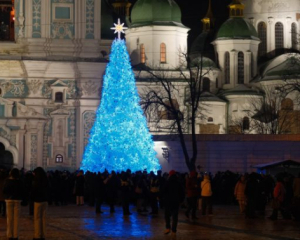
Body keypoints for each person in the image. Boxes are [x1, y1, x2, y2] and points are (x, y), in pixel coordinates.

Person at [3, 168, 23, 240]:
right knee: (16, 219)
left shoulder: (7, 181)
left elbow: (4, 190)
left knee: (9, 218)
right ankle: (15, 235)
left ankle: (9, 235)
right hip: (17, 200)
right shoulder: (20, 182)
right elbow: (22, 191)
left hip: (9, 200)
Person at [162, 170, 185, 235]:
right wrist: (181, 200)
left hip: (168, 202)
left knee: (167, 216)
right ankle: (174, 230)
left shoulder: (167, 182)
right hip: (175, 202)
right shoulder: (178, 182)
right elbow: (182, 193)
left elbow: (163, 191)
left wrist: (162, 198)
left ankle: (168, 228)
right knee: (175, 216)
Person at [31, 167, 49, 240]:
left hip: (38, 201)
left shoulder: (36, 181)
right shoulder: (46, 181)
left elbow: (33, 191)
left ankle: (37, 235)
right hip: (45, 201)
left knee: (37, 218)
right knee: (43, 218)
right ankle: (43, 235)